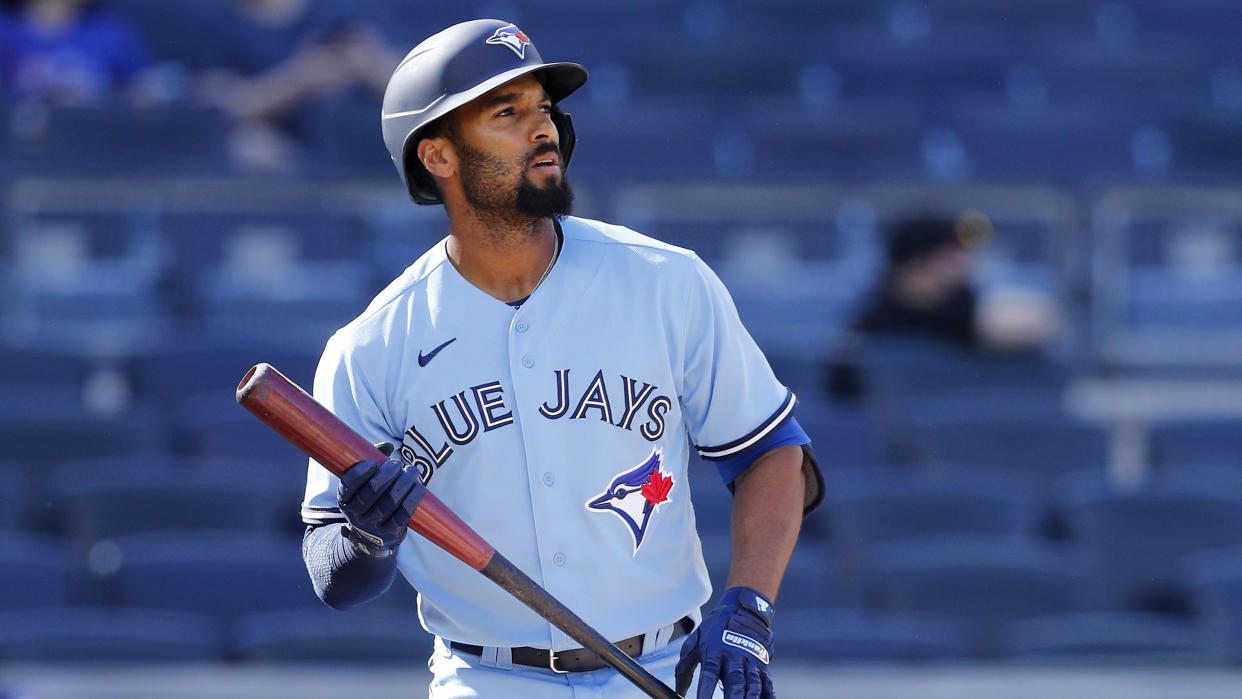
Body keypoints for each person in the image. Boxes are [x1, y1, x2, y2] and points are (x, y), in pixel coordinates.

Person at [299, 19, 823, 699]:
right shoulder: (373, 344)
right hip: (486, 676)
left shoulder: (665, 280)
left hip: (664, 668)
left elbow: (772, 450)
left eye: (543, 108)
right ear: (438, 157)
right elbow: (331, 572)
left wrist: (749, 603)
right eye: (507, 113)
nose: (542, 127)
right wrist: (367, 538)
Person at [826, 212, 1063, 402]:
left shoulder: (960, 309)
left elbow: (1038, 321)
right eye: (942, 261)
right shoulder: (875, 322)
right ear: (909, 266)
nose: (952, 271)